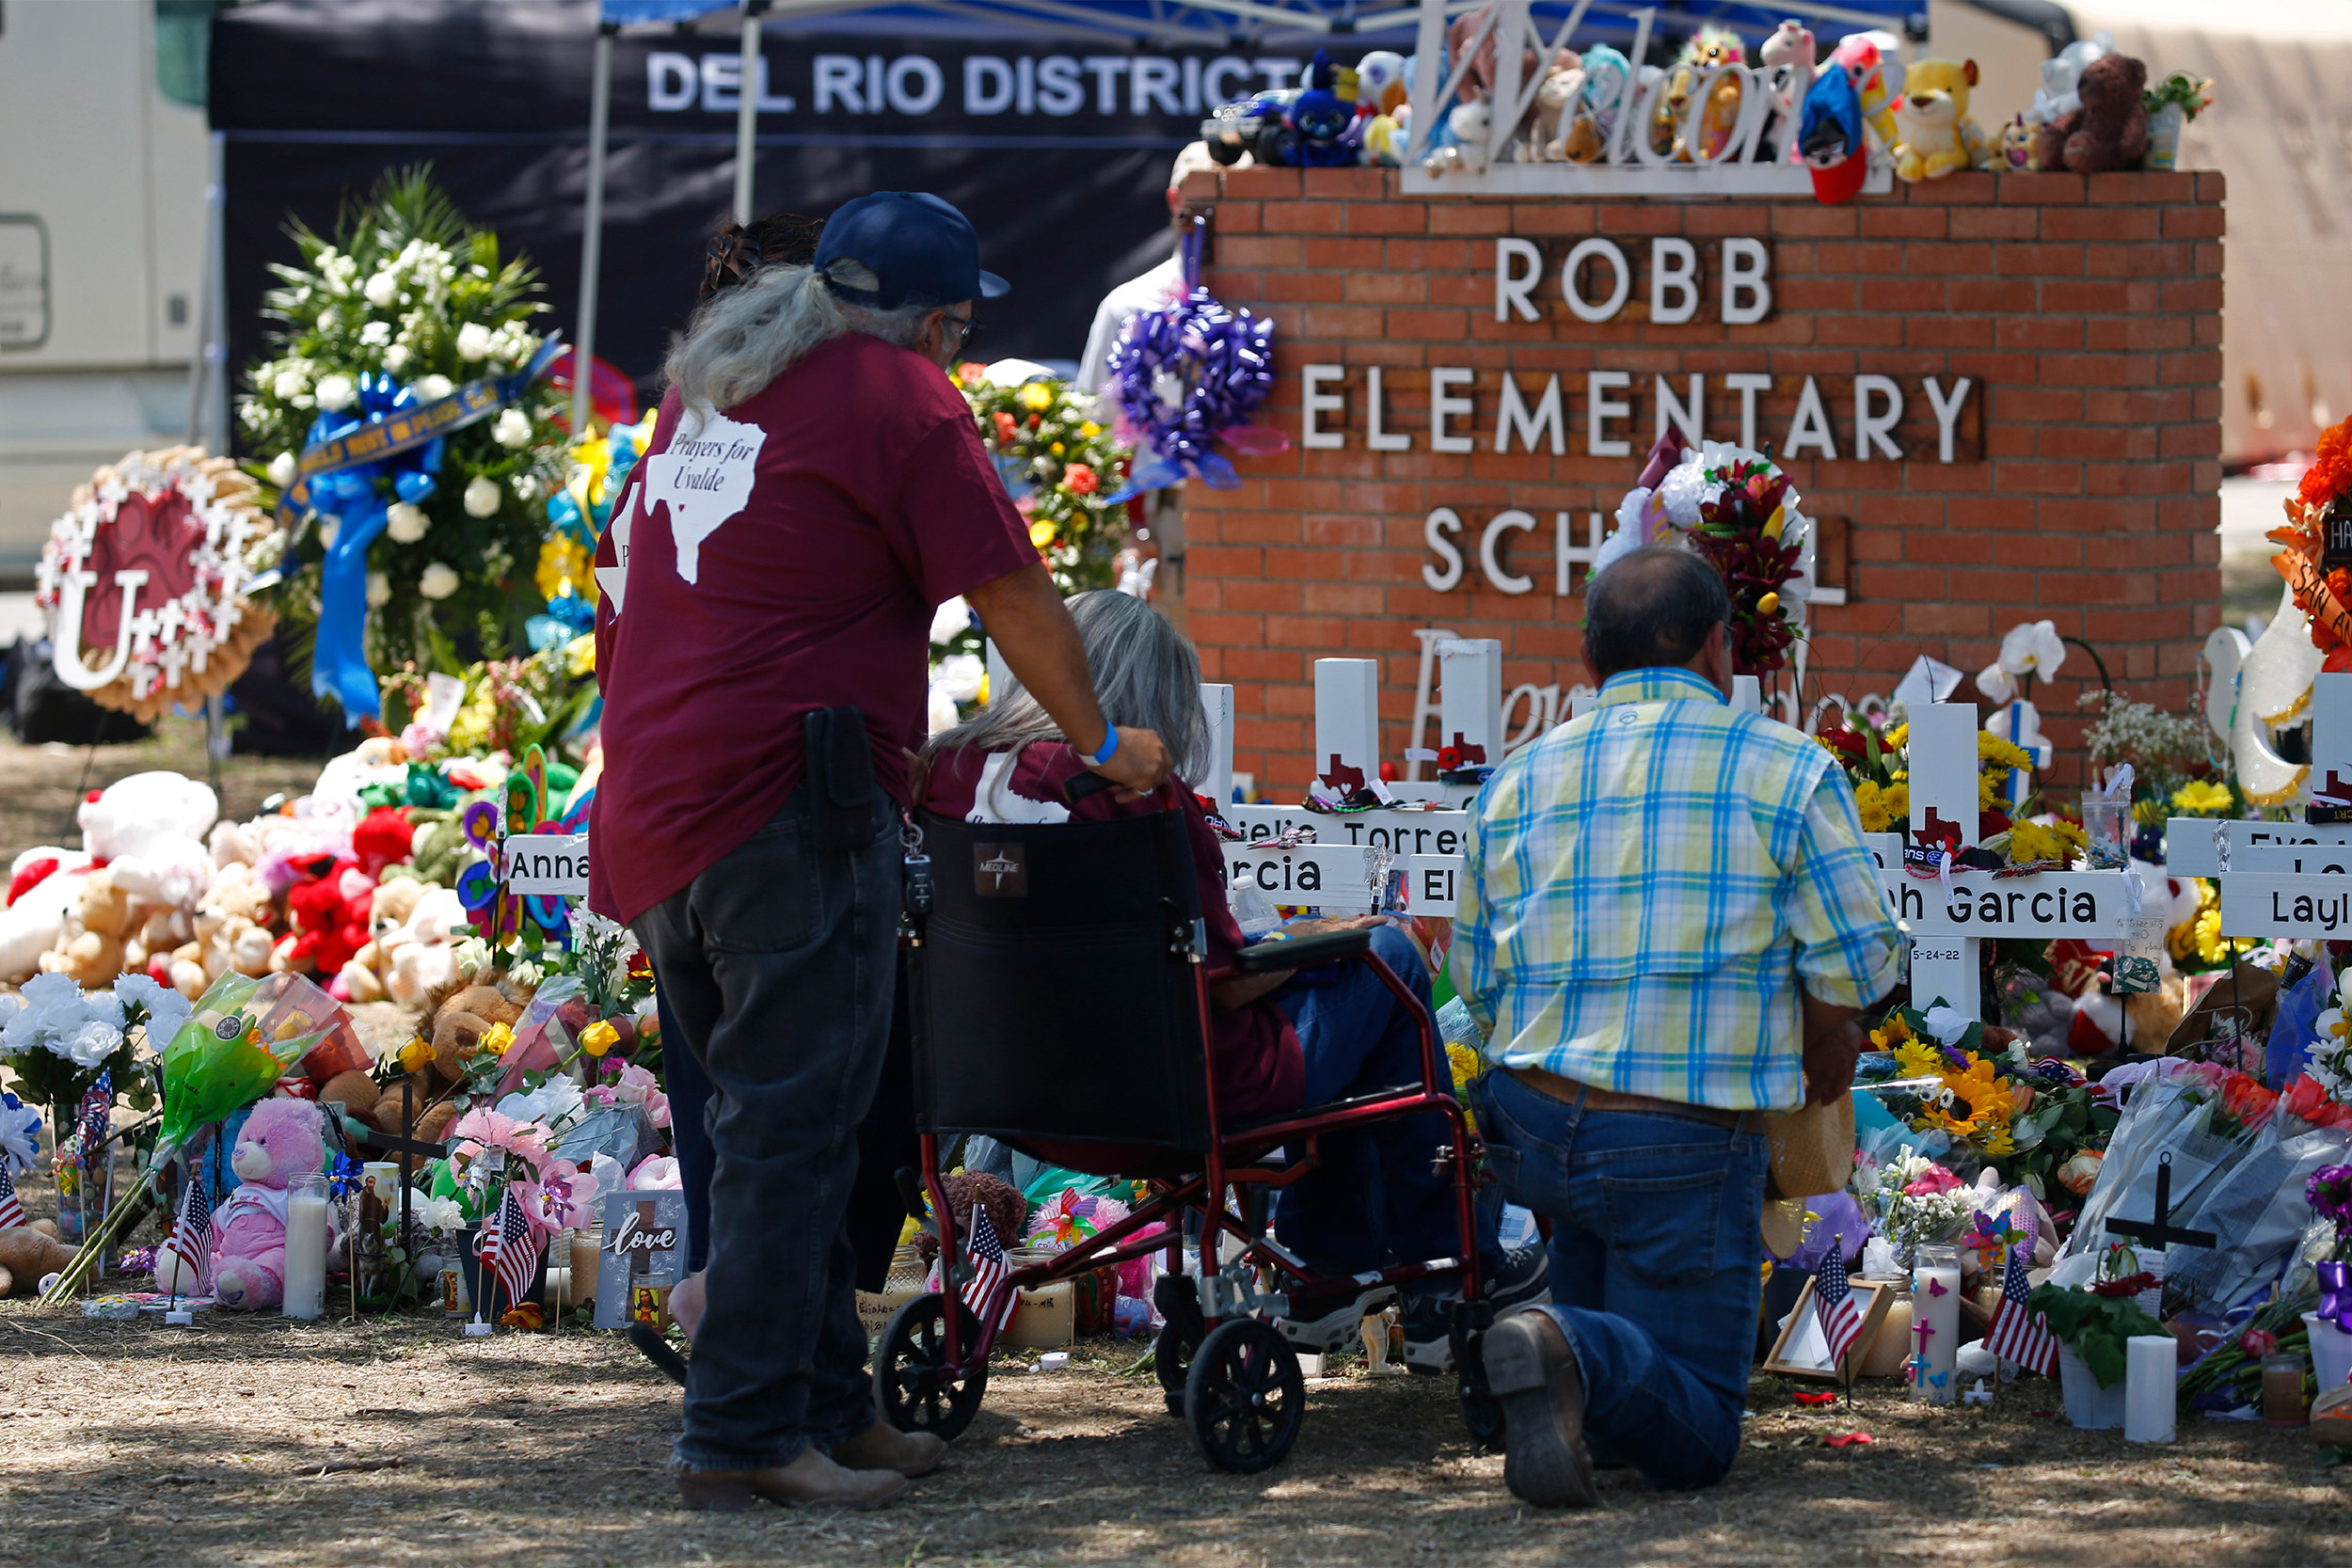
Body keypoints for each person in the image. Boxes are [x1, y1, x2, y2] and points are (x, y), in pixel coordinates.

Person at [591, 191, 1171, 1513]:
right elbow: (1013, 588)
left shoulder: (714, 387)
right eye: (960, 329)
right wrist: (1096, 740)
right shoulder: (901, 397)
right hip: (792, 802)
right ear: (939, 318)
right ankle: (739, 1431)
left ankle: (827, 1404)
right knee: (797, 1131)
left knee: (766, 1126)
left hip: (665, 806)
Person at [920, 590, 1543, 1360]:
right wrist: (1314, 937)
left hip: (1005, 1088)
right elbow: (1224, 981)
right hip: (1176, 1093)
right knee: (1388, 958)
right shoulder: (1135, 795)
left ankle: (1334, 1270)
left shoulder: (948, 773)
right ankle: (1431, 1273)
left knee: (1350, 990)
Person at [1453, 546, 1899, 1507]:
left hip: (1533, 1129)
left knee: (1623, 1385)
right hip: (1677, 1141)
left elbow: (1474, 982)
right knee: (1696, 1435)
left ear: (1584, 660)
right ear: (1718, 648)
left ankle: (1574, 1376)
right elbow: (1859, 956)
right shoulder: (1785, 769)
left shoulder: (1514, 780)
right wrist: (1828, 1041)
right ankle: (1562, 1343)